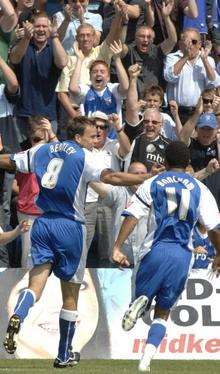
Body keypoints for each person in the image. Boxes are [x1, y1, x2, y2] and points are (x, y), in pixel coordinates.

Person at [0, 116, 150, 368]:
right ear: (78, 137)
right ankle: (63, 354)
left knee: (35, 285)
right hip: (71, 226)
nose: (96, 140)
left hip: (43, 223)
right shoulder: (85, 156)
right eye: (92, 136)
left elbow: (10, 161)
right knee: (70, 294)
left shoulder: (41, 150)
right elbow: (112, 178)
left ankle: (19, 313)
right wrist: (143, 179)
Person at [112, 141, 220, 372]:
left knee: (140, 298)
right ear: (188, 163)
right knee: (163, 312)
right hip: (183, 254)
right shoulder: (199, 188)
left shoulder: (152, 183)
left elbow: (133, 215)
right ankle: (145, 361)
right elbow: (214, 227)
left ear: (165, 162)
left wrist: (117, 246)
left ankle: (140, 300)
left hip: (155, 248)